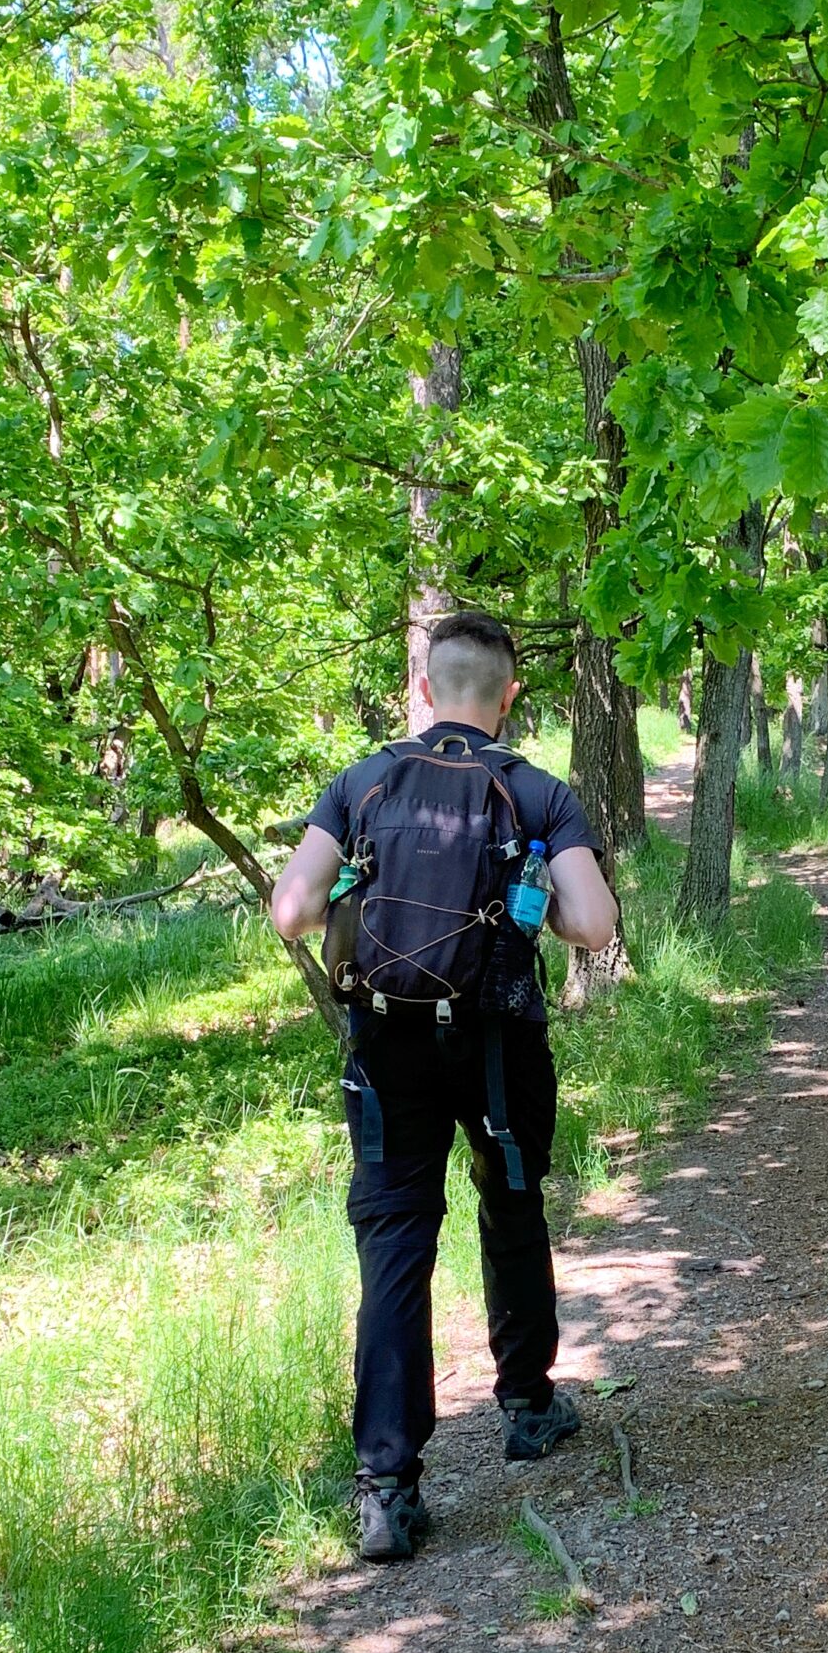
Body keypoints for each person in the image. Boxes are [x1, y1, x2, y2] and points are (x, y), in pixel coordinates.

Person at [271, 610, 618, 1561]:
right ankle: (525, 1406)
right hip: (499, 1041)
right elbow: (591, 925)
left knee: (394, 1241)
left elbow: (292, 911)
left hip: (385, 1051)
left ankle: (386, 1486)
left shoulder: (360, 783)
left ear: (424, 689)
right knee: (510, 1201)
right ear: (509, 697)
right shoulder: (536, 792)